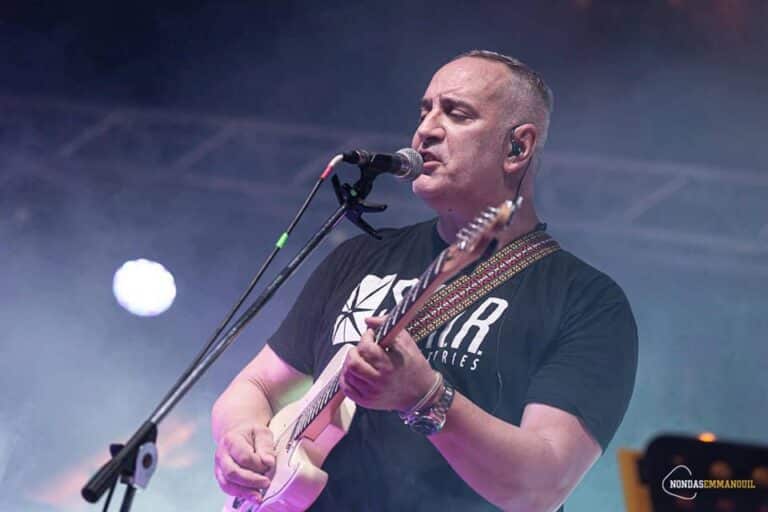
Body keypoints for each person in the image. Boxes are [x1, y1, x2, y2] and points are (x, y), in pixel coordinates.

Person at [211, 50, 638, 512]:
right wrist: (241, 435)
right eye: (425, 111)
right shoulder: (359, 257)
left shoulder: (586, 302)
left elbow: (541, 488)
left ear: (518, 148)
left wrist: (425, 397)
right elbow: (257, 385)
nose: (425, 130)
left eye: (456, 113)